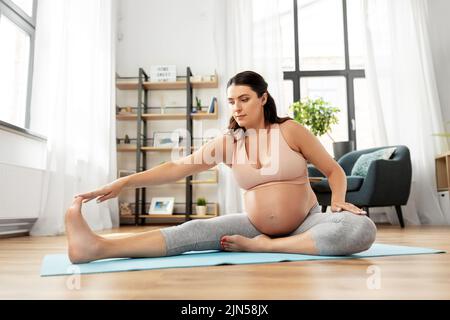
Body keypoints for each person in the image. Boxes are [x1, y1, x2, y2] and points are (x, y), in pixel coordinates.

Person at [66, 71, 377, 264]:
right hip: (253, 227)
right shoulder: (229, 141)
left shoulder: (290, 130)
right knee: (193, 230)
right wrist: (123, 183)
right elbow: (177, 167)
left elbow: (334, 170)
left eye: (244, 99)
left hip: (305, 223)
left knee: (360, 227)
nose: (237, 107)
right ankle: (96, 247)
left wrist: (337, 203)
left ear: (263, 98)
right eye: (231, 101)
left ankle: (266, 249)